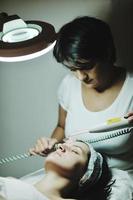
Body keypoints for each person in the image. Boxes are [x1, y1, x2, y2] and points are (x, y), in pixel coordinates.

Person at [30, 16, 133, 198]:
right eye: (72, 69)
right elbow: (62, 126)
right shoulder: (68, 85)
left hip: (117, 182)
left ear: (106, 53)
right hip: (73, 177)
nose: (80, 77)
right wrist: (52, 144)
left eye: (86, 67)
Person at [0, 140, 114, 200]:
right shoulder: (10, 182)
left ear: (85, 177)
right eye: (63, 144)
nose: (62, 147)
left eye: (75, 151)